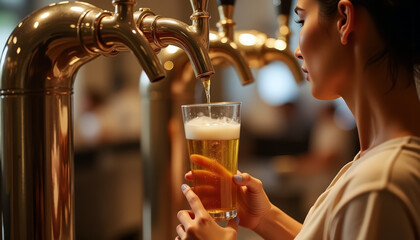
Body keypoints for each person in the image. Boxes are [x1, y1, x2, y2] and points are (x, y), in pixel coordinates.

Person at [175, 0, 420, 239]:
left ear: (344, 20)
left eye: (301, 20)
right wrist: (265, 218)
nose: (297, 51)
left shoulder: (379, 185)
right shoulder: (378, 163)